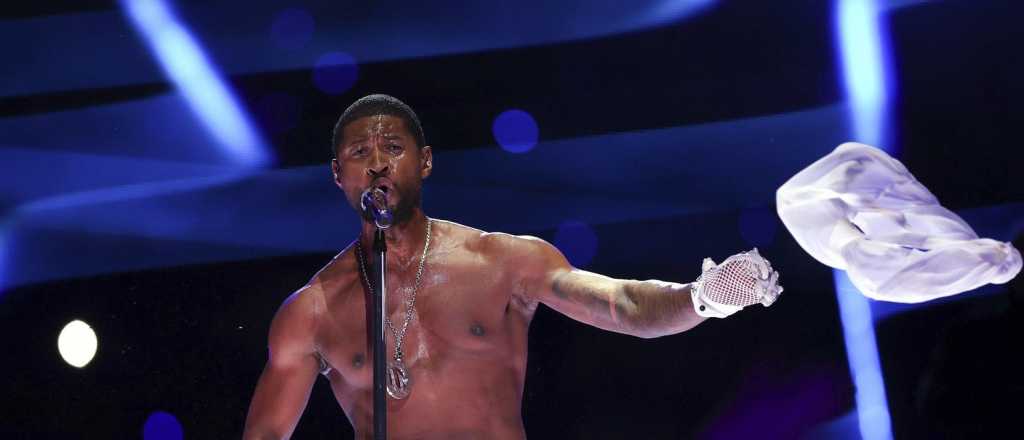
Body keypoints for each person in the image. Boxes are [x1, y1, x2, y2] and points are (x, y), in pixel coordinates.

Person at [242, 94, 782, 439]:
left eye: (393, 147)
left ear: (424, 161)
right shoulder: (311, 313)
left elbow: (620, 303)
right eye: (360, 152)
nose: (378, 162)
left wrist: (702, 296)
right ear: (338, 174)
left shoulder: (502, 261)